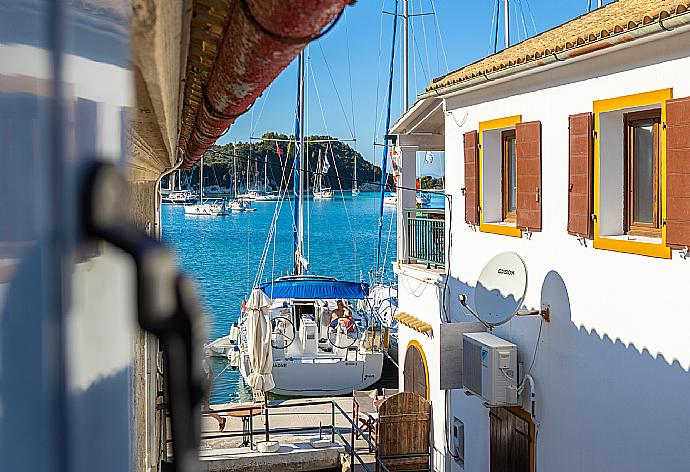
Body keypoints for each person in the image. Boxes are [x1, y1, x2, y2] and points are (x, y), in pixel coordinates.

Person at [202, 357, 226, 431]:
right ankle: (221, 420)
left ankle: (221, 420)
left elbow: (210, 374)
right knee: (205, 408)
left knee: (205, 408)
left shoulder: (202, 361)